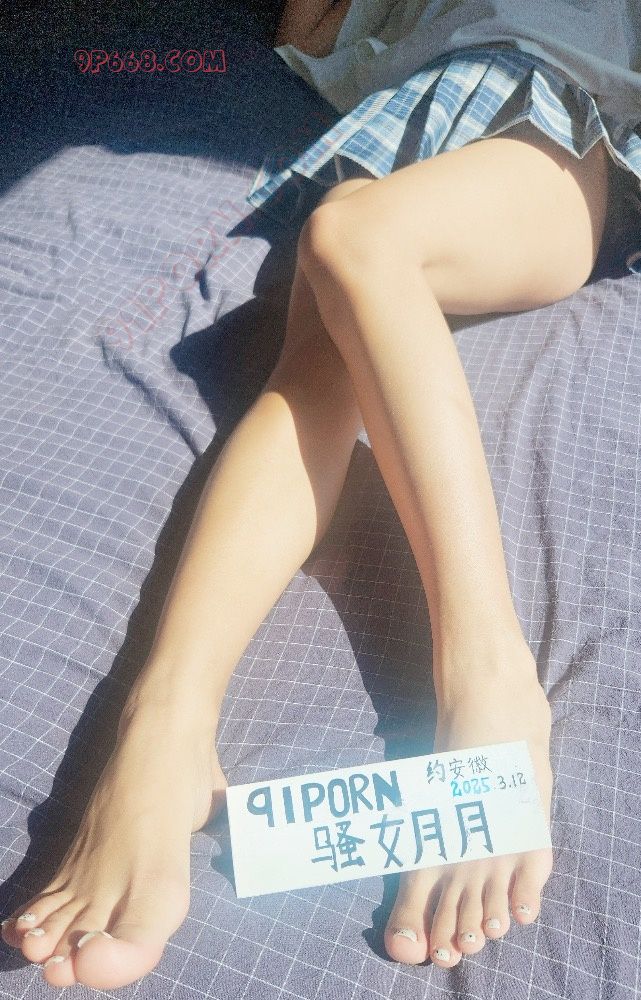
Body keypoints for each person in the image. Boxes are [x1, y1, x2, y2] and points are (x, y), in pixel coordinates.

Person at [2, 0, 640, 990]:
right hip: (405, 128)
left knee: (352, 239)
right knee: (314, 359)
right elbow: (301, 37)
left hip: (548, 131)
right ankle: (164, 722)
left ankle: (487, 671)